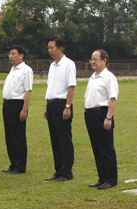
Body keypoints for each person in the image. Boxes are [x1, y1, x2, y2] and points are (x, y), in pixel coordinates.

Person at [83, 49, 119, 189]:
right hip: (90, 114)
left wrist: (108, 117)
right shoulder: (93, 77)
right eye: (91, 59)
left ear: (104, 61)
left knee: (106, 147)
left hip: (102, 114)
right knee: (96, 147)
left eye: (95, 59)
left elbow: (113, 98)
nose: (92, 62)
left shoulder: (108, 77)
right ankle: (102, 177)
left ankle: (111, 179)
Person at [44, 37, 76, 182]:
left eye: (52, 47)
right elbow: (50, 87)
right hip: (51, 104)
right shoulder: (52, 66)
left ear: (60, 48)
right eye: (49, 47)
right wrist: (47, 107)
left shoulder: (68, 64)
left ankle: (67, 171)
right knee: (55, 139)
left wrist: (67, 106)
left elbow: (71, 87)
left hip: (62, 104)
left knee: (64, 139)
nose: (49, 50)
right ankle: (58, 169)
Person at [2, 45, 33, 174]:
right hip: (7, 104)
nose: (10, 56)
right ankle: (13, 163)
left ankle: (20, 165)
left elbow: (28, 91)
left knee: (18, 135)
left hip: (18, 104)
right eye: (9, 54)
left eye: (13, 54)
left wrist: (24, 109)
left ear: (21, 56)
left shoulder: (26, 70)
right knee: (9, 135)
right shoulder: (12, 70)